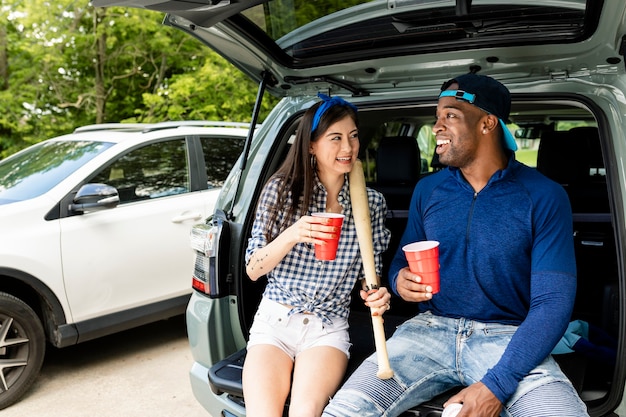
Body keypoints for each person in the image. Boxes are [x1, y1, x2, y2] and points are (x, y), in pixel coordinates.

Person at [323, 73, 590, 417]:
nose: (436, 127)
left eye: (450, 115)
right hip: (426, 332)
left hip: (508, 338)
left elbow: (553, 303)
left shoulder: (544, 195)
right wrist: (399, 281)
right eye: (437, 118)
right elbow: (399, 265)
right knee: (344, 411)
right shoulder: (428, 190)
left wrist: (497, 384)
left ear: (487, 123)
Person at [243, 93, 392, 417]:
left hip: (327, 327)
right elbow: (253, 269)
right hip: (275, 322)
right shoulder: (282, 190)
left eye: (353, 136)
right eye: (335, 138)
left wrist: (377, 295)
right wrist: (293, 233)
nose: (348, 148)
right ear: (311, 145)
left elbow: (370, 277)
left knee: (305, 413)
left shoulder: (371, 203)